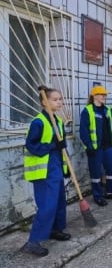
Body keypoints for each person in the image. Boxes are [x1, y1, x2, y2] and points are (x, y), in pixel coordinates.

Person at [21, 85, 70, 257]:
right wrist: (52, 146)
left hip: (56, 169)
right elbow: (32, 146)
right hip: (43, 172)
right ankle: (32, 242)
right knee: (47, 206)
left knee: (59, 202)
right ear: (44, 102)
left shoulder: (57, 122)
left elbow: (61, 149)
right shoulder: (38, 122)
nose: (60, 102)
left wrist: (66, 167)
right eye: (55, 100)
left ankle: (55, 229)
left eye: (60, 99)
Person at [80, 86, 112, 207]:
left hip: (109, 146)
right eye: (102, 95)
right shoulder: (88, 111)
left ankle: (110, 191)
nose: (104, 97)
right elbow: (83, 131)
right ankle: (98, 196)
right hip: (95, 148)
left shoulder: (107, 110)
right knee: (96, 173)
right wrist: (89, 146)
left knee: (111, 170)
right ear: (95, 96)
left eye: (105, 95)